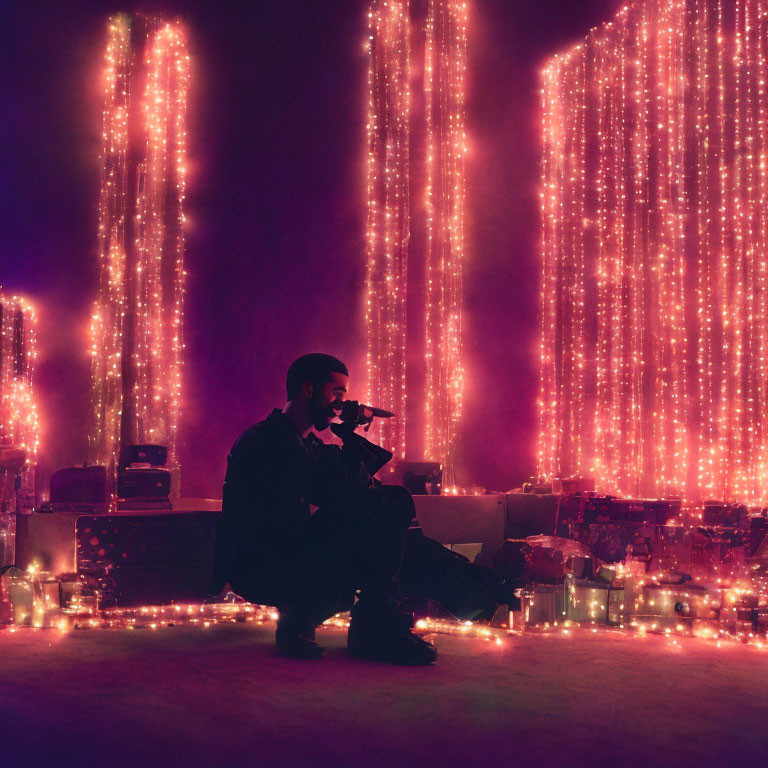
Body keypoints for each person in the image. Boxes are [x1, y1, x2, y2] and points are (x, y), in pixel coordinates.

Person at [207, 353, 437, 664]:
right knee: (386, 507)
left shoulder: (303, 442)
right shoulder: (269, 440)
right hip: (262, 562)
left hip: (289, 551)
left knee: (389, 505)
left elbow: (357, 485)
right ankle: (368, 627)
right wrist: (350, 437)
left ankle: (308, 622)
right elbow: (338, 490)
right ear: (308, 390)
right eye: (337, 393)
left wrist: (348, 437)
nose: (341, 404)